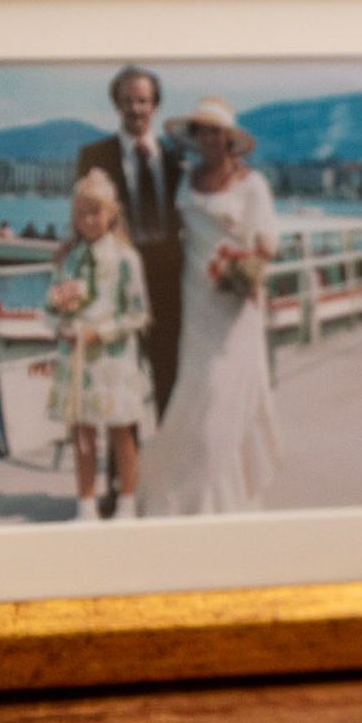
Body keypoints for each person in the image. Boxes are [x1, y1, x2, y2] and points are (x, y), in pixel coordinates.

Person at [138, 96, 281, 515]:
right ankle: (186, 494)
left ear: (230, 138)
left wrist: (248, 271)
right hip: (196, 302)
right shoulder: (186, 180)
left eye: (217, 131)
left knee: (224, 396)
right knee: (195, 393)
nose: (210, 139)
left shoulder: (252, 184)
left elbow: (268, 242)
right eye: (202, 131)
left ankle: (219, 499)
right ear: (196, 137)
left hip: (237, 308)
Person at [45, 172, 156, 523]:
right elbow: (51, 303)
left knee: (122, 432)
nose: (89, 220)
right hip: (79, 361)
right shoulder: (69, 259)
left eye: (96, 212)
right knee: (82, 434)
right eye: (82, 213)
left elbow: (138, 314)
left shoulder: (125, 259)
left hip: (113, 360)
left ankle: (126, 503)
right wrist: (61, 324)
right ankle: (86, 505)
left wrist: (101, 332)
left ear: (112, 214)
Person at [76, 65, 185, 418]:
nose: (135, 109)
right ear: (116, 105)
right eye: (127, 101)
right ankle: (123, 473)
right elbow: (82, 222)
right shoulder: (95, 157)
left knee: (170, 376)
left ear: (155, 105)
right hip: (118, 285)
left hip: (169, 283)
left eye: (142, 101)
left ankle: (169, 464)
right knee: (120, 384)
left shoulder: (176, 159)